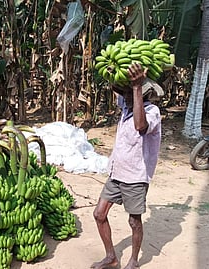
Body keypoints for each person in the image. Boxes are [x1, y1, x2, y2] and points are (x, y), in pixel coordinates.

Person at [91, 62, 163, 269]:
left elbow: (141, 127)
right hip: (116, 172)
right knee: (99, 214)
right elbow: (118, 90)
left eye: (129, 94)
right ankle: (111, 257)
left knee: (134, 221)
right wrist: (114, 71)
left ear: (143, 94)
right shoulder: (126, 105)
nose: (125, 98)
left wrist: (137, 87)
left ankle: (133, 261)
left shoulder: (152, 112)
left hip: (135, 176)